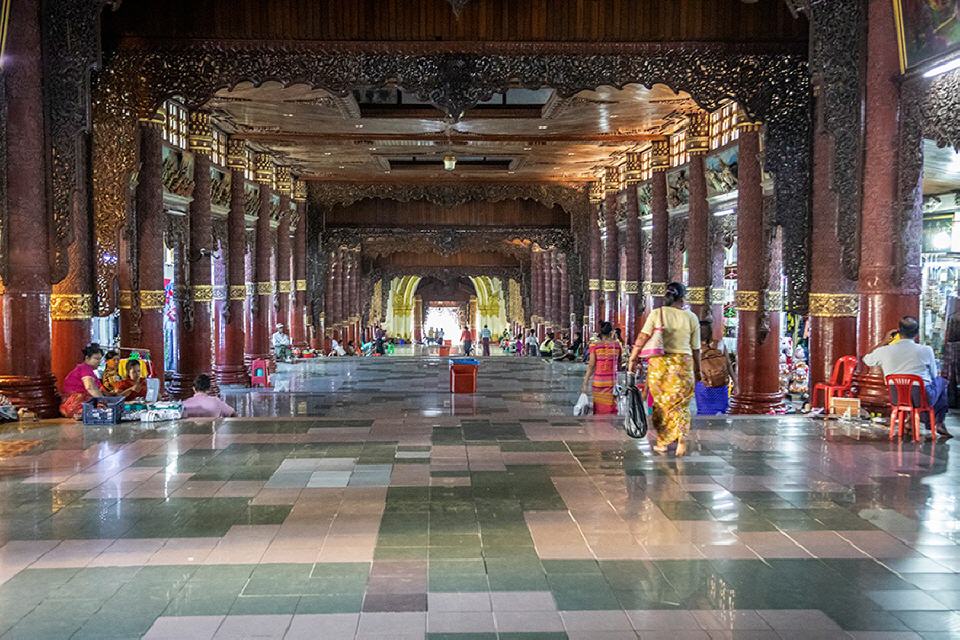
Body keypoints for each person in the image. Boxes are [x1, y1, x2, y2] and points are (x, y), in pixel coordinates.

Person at [627, 282, 701, 456]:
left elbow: (642, 337)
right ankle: (681, 437)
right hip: (683, 364)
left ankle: (663, 442)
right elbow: (696, 348)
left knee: (661, 404)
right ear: (683, 298)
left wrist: (632, 358)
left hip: (660, 365)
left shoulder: (657, 313)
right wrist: (698, 370)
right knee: (681, 404)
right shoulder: (691, 317)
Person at [863, 315, 950, 438]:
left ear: (898, 331)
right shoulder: (926, 350)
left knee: (929, 386)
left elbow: (866, 359)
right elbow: (933, 375)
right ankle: (938, 422)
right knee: (941, 382)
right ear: (917, 333)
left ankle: (910, 419)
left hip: (897, 397)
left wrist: (884, 341)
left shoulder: (885, 350)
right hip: (921, 398)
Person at [580, 322, 623, 414]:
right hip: (611, 382)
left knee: (599, 408)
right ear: (611, 332)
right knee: (611, 408)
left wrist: (585, 381)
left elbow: (591, 365)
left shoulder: (594, 345)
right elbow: (619, 363)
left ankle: (599, 421)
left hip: (598, 381)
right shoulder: (617, 345)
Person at [695, 318, 736, 415]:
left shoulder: (695, 347)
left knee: (704, 411)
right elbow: (728, 363)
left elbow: (694, 367)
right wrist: (735, 381)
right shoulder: (719, 344)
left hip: (704, 383)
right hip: (719, 382)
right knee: (720, 410)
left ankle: (706, 423)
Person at [60, 343, 105, 419]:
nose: (99, 362)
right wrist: (104, 401)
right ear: (87, 358)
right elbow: (90, 387)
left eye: (100, 359)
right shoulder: (85, 368)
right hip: (74, 404)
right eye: (96, 359)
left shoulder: (88, 370)